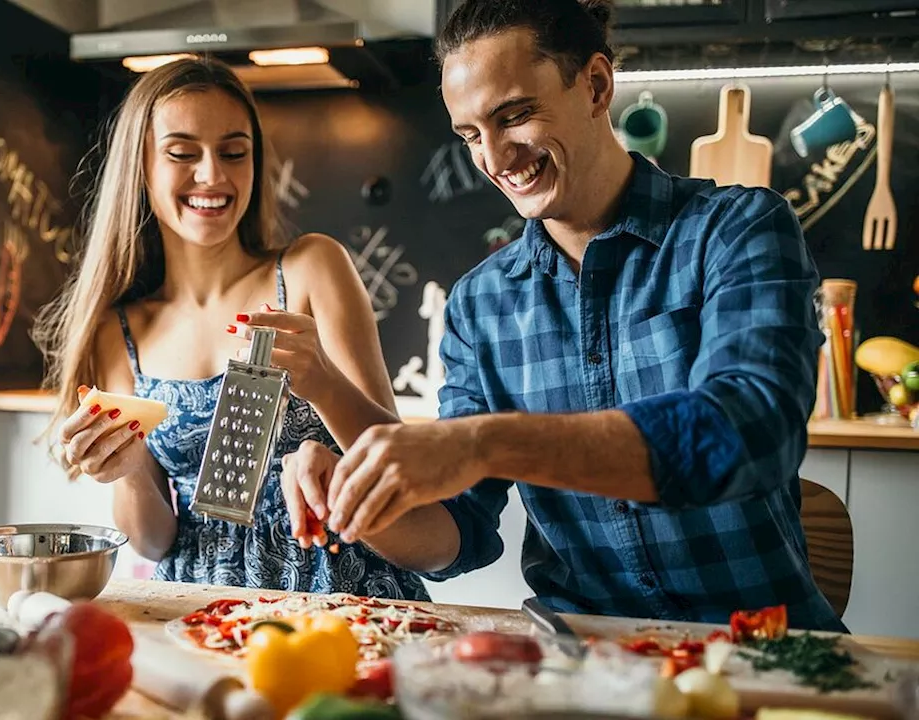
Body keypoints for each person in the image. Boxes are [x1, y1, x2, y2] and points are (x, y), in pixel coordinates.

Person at [280, 0, 847, 631]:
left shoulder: (737, 229)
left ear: (597, 86)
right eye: (470, 135)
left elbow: (750, 433)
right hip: (584, 660)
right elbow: (454, 536)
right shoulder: (481, 305)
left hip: (764, 651)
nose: (495, 158)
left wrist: (484, 442)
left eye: (515, 116)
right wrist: (360, 498)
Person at [34, 57, 429, 601]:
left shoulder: (312, 268)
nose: (213, 176)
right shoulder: (118, 330)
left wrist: (328, 409)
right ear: (141, 166)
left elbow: (393, 458)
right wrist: (125, 471)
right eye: (181, 153)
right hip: (199, 605)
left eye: (234, 152)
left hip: (342, 590)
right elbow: (152, 541)